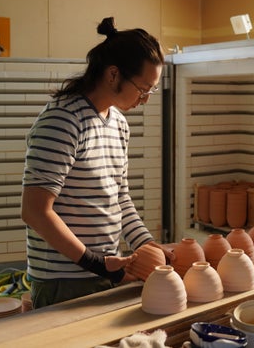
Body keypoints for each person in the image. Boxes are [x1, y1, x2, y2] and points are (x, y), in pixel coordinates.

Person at [21, 16, 172, 309]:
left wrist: (146, 244)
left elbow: (119, 197)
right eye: (143, 89)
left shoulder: (118, 124)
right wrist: (96, 263)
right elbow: (35, 211)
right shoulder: (63, 120)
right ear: (113, 74)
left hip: (105, 269)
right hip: (63, 279)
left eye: (151, 91)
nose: (145, 99)